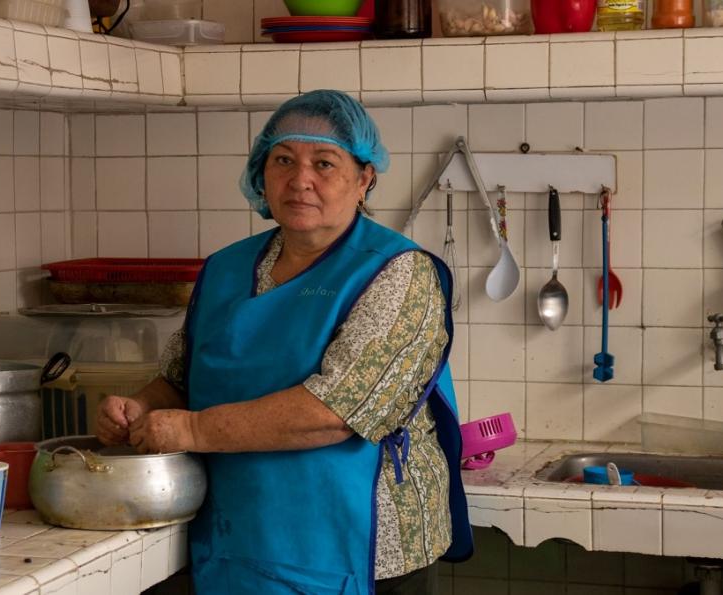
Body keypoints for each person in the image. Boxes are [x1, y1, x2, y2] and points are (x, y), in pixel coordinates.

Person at [96, 89, 473, 595]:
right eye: (283, 160)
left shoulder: (399, 273)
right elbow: (181, 377)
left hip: (364, 543)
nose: (301, 180)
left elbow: (336, 412)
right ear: (262, 173)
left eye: (324, 163)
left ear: (364, 179)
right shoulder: (226, 268)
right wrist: (138, 408)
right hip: (237, 530)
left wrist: (192, 431)